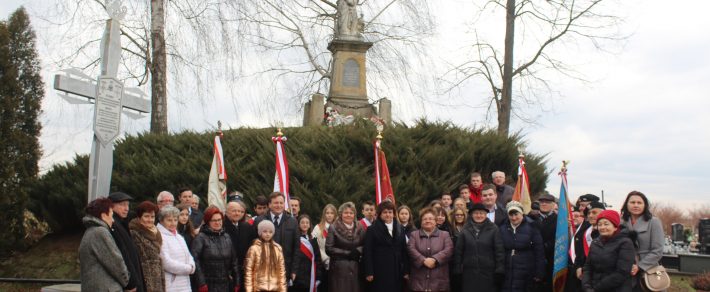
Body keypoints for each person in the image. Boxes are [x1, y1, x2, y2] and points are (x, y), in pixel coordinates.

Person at [79, 197, 130, 291]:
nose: (113, 220)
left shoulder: (90, 231)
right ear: (103, 215)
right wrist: (126, 280)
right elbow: (115, 262)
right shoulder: (100, 232)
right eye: (111, 215)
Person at [453, 203, 505, 292]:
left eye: (481, 213)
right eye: (476, 213)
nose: (479, 215)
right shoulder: (465, 230)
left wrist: (499, 269)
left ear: (486, 214)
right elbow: (458, 251)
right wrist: (457, 270)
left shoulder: (493, 229)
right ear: (472, 215)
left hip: (488, 272)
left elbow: (499, 251)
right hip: (469, 273)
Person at [620, 191, 664, 291]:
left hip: (647, 270)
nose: (636, 205)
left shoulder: (654, 222)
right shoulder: (621, 221)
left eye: (639, 203)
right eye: (632, 202)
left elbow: (658, 250)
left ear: (645, 205)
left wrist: (639, 266)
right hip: (625, 268)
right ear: (627, 204)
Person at [582, 210, 635, 292]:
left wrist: (596, 288)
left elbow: (622, 272)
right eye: (599, 224)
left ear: (615, 227)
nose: (602, 227)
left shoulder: (625, 243)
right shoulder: (595, 242)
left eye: (606, 224)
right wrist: (586, 286)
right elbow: (587, 267)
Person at [363, 200, 409, 292]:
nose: (387, 215)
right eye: (385, 212)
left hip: (397, 270)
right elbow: (367, 252)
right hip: (379, 271)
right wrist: (369, 272)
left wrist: (406, 270)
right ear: (379, 214)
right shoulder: (372, 229)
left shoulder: (400, 229)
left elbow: (404, 251)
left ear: (394, 214)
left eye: (390, 212)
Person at [499, 201, 544, 292]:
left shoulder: (532, 227)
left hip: (526, 271)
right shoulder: (502, 228)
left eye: (516, 214)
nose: (514, 217)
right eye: (511, 215)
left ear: (522, 213)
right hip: (507, 270)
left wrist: (539, 272)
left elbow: (539, 251)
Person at [253, 192, 300, 278]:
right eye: (276, 203)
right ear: (269, 205)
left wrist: (294, 270)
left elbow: (296, 248)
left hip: (285, 269)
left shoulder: (293, 222)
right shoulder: (259, 221)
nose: (279, 205)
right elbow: (254, 244)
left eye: (281, 203)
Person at [192, 207, 239, 292]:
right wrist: (201, 283)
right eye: (214, 220)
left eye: (219, 220)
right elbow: (195, 261)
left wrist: (237, 281)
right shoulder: (201, 238)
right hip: (208, 284)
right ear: (207, 222)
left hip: (225, 284)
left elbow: (234, 261)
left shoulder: (226, 237)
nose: (217, 222)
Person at [407, 207, 453, 292]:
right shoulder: (414, 235)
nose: (428, 221)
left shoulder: (445, 235)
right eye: (425, 219)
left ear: (436, 221)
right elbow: (410, 249)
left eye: (431, 219)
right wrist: (423, 260)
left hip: (439, 283)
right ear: (421, 222)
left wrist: (435, 259)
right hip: (418, 283)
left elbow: (449, 249)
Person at [108, 192, 146, 292]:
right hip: (128, 283)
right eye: (122, 205)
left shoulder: (122, 223)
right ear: (111, 206)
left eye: (128, 205)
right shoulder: (114, 225)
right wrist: (130, 283)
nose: (127, 208)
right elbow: (122, 256)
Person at [325, 202, 366, 292]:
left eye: (351, 213)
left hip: (356, 267)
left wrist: (358, 250)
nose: (348, 215)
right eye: (346, 213)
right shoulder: (333, 227)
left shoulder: (360, 227)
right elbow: (329, 248)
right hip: (339, 269)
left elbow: (365, 245)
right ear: (341, 214)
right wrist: (347, 253)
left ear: (354, 214)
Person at [157, 205, 196, 292]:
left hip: (185, 283)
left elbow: (188, 255)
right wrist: (188, 269)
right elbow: (166, 262)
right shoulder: (160, 237)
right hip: (171, 285)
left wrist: (192, 265)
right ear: (162, 221)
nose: (173, 223)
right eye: (169, 220)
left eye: (175, 220)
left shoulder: (178, 236)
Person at [569, 201, 605, 292]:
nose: (591, 215)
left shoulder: (610, 232)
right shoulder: (584, 232)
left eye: (594, 212)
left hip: (604, 277)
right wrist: (578, 267)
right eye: (589, 213)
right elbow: (579, 253)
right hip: (586, 277)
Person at [129, 201, 165, 291]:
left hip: (157, 279)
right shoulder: (134, 233)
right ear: (139, 217)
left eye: (152, 217)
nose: (150, 220)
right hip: (144, 280)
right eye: (146, 216)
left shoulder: (156, 232)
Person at [245, 220, 287, 292]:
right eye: (265, 231)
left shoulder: (278, 249)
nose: (268, 234)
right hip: (258, 288)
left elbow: (282, 271)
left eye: (270, 232)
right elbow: (248, 271)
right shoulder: (254, 249)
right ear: (260, 232)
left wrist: (283, 290)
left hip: (275, 288)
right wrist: (249, 290)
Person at [224, 200, 256, 290]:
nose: (237, 213)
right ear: (226, 212)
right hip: (227, 271)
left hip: (244, 270)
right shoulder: (221, 226)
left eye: (240, 211)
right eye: (234, 211)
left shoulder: (247, 227)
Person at [292, 215, 323, 292]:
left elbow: (318, 259)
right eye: (302, 222)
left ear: (309, 225)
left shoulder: (313, 240)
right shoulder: (294, 239)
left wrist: (318, 277)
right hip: (297, 276)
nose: (305, 224)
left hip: (310, 275)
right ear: (298, 224)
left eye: (307, 223)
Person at [534, 194, 558, 292]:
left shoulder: (559, 220)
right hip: (534, 259)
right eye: (541, 202)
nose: (544, 204)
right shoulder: (531, 218)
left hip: (551, 260)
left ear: (553, 205)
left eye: (547, 202)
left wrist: (545, 247)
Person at [312, 204, 336, 292]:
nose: (329, 215)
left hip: (337, 263)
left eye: (332, 213)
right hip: (323, 264)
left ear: (335, 215)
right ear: (324, 214)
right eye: (327, 213)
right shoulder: (317, 228)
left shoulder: (339, 228)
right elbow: (316, 247)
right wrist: (326, 259)